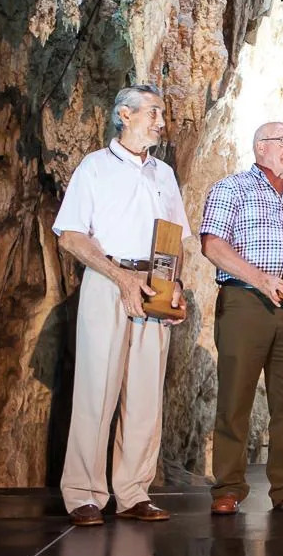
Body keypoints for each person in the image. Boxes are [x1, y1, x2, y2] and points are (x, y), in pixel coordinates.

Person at [52, 84, 192, 526]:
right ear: (124, 115)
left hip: (155, 283)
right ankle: (84, 494)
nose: (160, 121)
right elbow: (72, 235)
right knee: (97, 389)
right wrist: (120, 276)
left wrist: (176, 285)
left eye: (161, 114)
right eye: (152, 112)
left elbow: (177, 237)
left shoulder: (163, 173)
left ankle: (132, 491)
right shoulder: (94, 167)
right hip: (108, 280)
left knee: (146, 395)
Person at [201, 122, 283, 514]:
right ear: (260, 147)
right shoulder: (232, 188)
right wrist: (260, 279)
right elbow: (213, 244)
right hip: (246, 301)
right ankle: (227, 487)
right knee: (235, 397)